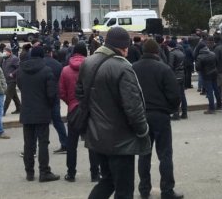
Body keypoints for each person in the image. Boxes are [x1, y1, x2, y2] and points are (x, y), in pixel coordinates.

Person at [76, 27, 151, 199]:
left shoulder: (88, 62)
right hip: (120, 138)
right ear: (124, 47)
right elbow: (133, 107)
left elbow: (80, 93)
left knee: (108, 179)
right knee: (124, 188)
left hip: (97, 134)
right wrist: (142, 130)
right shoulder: (122, 67)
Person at [132, 39, 183, 199]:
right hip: (160, 115)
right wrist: (170, 109)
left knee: (144, 154)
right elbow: (175, 95)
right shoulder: (163, 68)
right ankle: (167, 190)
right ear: (156, 52)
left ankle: (144, 189)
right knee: (165, 155)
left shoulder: (133, 69)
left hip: (141, 114)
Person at [17, 46, 60, 182]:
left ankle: (29, 173)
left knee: (28, 144)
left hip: (27, 111)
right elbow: (51, 94)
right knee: (43, 143)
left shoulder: (21, 70)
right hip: (42, 111)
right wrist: (49, 105)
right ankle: (44, 171)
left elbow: (20, 86)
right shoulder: (46, 71)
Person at [59, 42, 100, 182]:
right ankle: (95, 173)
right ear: (85, 53)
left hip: (73, 109)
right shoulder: (92, 68)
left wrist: (70, 102)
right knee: (92, 142)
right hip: (90, 108)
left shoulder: (65, 70)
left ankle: (71, 173)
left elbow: (62, 92)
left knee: (72, 143)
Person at [42, 46, 67, 154]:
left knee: (41, 123)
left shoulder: (41, 64)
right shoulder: (58, 65)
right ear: (51, 53)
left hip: (42, 97)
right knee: (58, 122)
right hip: (55, 96)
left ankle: (41, 146)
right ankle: (65, 144)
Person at [195, 37, 219, 114]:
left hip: (206, 74)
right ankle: (219, 104)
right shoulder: (213, 54)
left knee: (209, 92)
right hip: (214, 73)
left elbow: (198, 68)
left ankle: (211, 108)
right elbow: (216, 62)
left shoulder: (200, 57)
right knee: (216, 89)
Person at [167, 39, 187, 120]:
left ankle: (176, 113)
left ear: (170, 46)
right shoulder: (181, 52)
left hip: (175, 75)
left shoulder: (172, 53)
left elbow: (170, 66)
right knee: (182, 94)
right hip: (182, 75)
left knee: (175, 95)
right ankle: (184, 112)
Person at [2, 48, 21, 115]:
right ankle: (19, 108)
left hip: (13, 80)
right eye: (4, 51)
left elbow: (19, 68)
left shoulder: (14, 58)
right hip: (7, 79)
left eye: (5, 51)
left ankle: (3, 111)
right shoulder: (5, 58)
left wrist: (13, 73)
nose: (4, 52)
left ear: (9, 52)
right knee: (14, 95)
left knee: (8, 95)